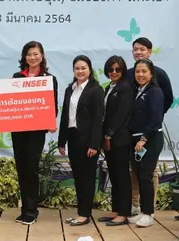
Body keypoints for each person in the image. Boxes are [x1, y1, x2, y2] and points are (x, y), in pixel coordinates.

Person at [11, 41, 59, 225]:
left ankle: (32, 210)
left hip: (36, 131)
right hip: (18, 129)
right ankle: (24, 208)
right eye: (29, 54)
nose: (33, 57)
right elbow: (11, 102)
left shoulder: (49, 79)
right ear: (24, 57)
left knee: (31, 167)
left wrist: (50, 121)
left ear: (42, 56)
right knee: (21, 167)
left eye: (36, 54)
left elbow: (52, 106)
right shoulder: (17, 77)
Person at [126, 37, 173, 216]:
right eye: (136, 49)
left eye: (142, 49)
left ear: (150, 52)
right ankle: (134, 204)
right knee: (135, 169)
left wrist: (154, 118)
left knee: (149, 171)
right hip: (132, 132)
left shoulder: (160, 75)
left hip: (150, 133)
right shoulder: (128, 74)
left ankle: (149, 208)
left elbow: (167, 99)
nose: (139, 52)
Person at [58, 55, 104, 227]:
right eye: (77, 68)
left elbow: (98, 119)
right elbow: (65, 116)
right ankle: (80, 212)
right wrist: (61, 141)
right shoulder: (70, 89)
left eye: (83, 68)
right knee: (78, 177)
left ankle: (85, 214)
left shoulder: (96, 90)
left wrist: (94, 144)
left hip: (88, 140)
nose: (80, 71)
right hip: (73, 138)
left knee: (87, 178)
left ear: (90, 69)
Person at [129, 59, 165, 228]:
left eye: (144, 71)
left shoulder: (155, 92)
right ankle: (142, 211)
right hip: (136, 140)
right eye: (137, 71)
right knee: (139, 176)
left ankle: (149, 214)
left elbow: (156, 119)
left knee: (146, 177)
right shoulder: (137, 90)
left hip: (150, 140)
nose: (140, 75)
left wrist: (143, 139)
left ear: (151, 74)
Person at [99, 56, 133, 227]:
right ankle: (116, 210)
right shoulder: (109, 87)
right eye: (111, 69)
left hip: (120, 138)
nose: (114, 72)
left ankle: (124, 213)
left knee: (122, 176)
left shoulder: (126, 87)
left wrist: (109, 134)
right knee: (113, 174)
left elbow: (121, 114)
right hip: (109, 139)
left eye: (118, 69)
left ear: (123, 70)